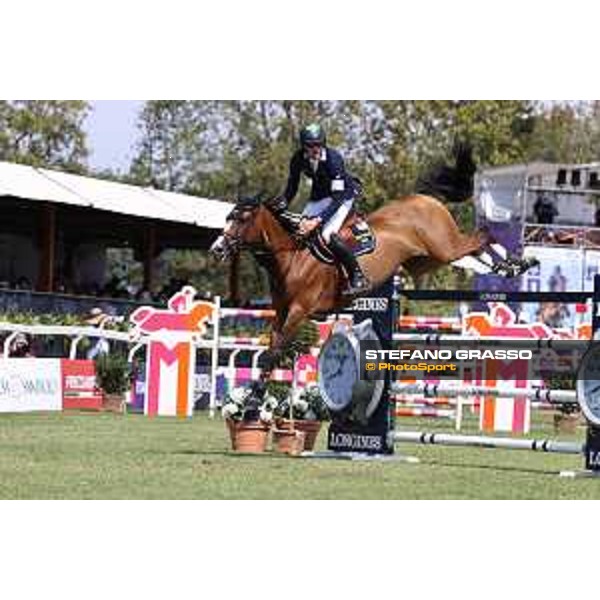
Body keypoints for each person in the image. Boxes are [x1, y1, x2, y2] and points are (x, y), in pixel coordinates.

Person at [269, 123, 368, 295]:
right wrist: (282, 203)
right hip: (319, 196)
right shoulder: (298, 158)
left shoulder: (334, 159)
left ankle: (357, 276)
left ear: (323, 143)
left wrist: (318, 220)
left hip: (342, 197)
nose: (315, 149)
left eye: (318, 144)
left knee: (327, 235)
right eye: (310, 145)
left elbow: (337, 198)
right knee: (298, 232)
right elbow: (292, 188)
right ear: (303, 145)